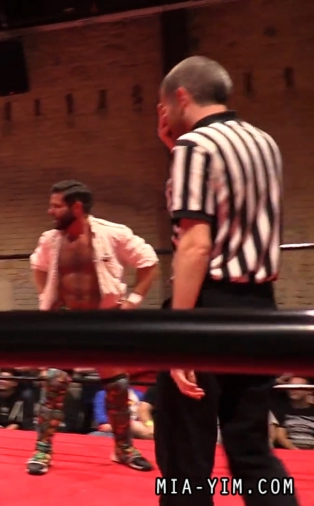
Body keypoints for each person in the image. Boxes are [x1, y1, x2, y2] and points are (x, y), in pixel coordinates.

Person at [155, 56, 295, 506]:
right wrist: (172, 150)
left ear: (181, 97)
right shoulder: (264, 142)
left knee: (185, 460)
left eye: (164, 105)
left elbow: (196, 244)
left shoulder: (195, 147)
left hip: (207, 307)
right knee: (251, 450)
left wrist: (179, 331)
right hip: (260, 307)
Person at [26, 180, 158, 475]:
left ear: (76, 207)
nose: (50, 211)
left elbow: (149, 261)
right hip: (67, 321)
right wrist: (46, 299)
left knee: (118, 387)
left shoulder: (112, 234)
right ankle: (42, 450)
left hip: (103, 322)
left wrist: (133, 301)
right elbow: (37, 265)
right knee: (55, 382)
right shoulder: (50, 240)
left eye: (56, 206)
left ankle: (123, 449)